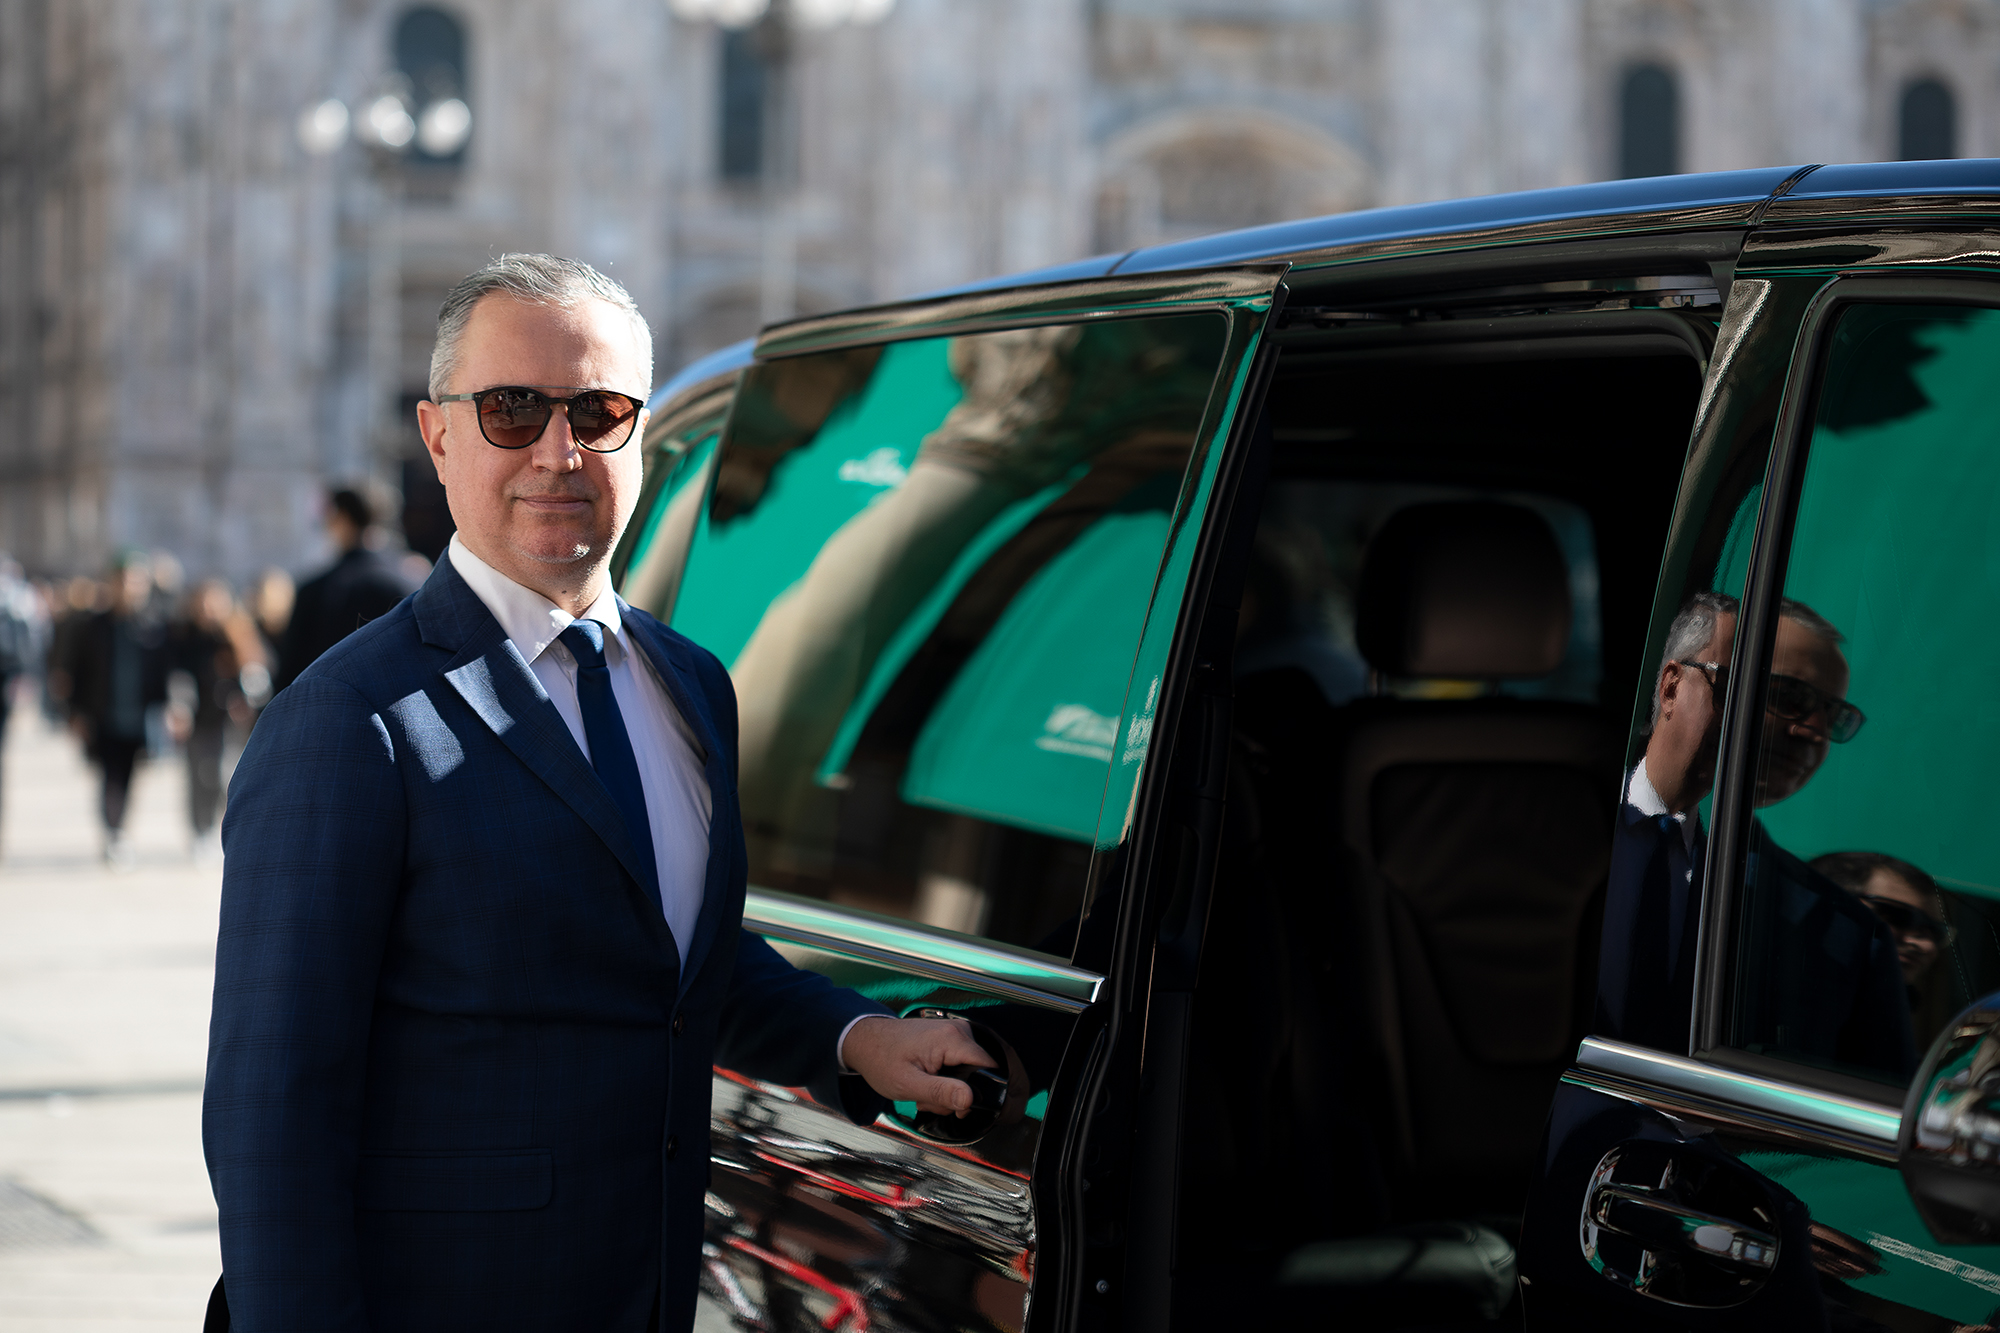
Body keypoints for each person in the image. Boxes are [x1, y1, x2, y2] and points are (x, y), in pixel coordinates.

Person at [204, 253, 992, 1332]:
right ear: (438, 437)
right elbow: (273, 1115)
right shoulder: (349, 720)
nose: (558, 451)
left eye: (597, 411)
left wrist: (855, 1036)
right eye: (511, 411)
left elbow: (669, 966)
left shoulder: (690, 684)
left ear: (640, 433)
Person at [1597, 591, 1912, 1078]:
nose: (1813, 733)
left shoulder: (1845, 935)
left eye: (1831, 715)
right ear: (1672, 687)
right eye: (1788, 697)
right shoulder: (1538, 830)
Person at [61, 554, 169, 866]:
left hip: (139, 716)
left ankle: (120, 829)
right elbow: (76, 671)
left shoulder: (153, 625)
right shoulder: (93, 626)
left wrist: (168, 708)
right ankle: (113, 832)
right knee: (110, 776)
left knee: (130, 775)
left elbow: (165, 673)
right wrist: (75, 713)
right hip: (103, 715)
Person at [273, 487, 414, 692]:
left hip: (327, 703)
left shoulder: (317, 591)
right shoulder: (408, 584)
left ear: (342, 518)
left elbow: (290, 675)